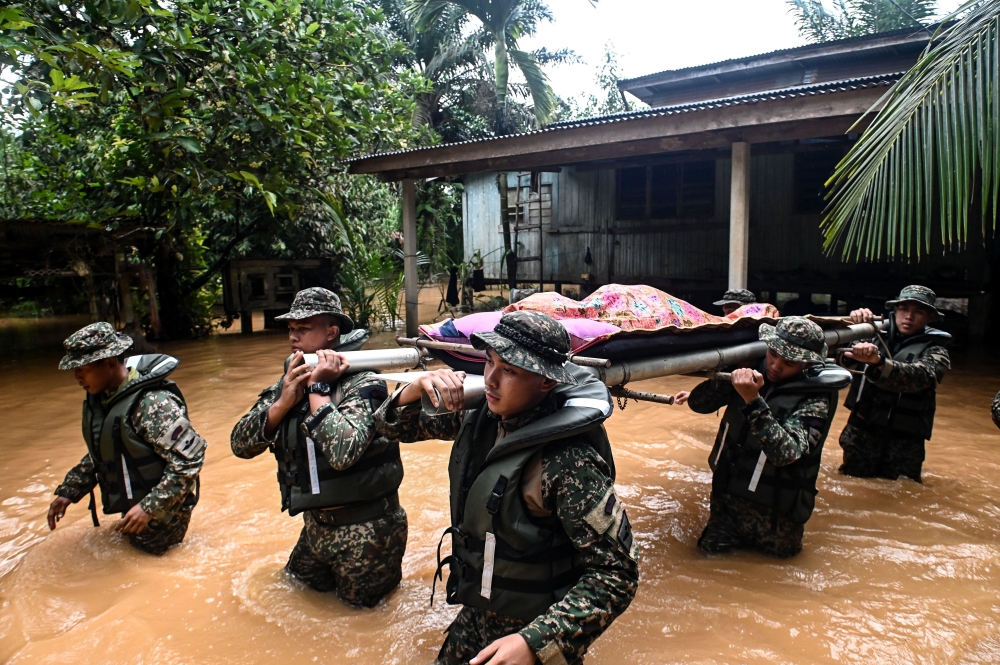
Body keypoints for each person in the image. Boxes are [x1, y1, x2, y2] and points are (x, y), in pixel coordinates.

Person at [374, 310, 639, 665]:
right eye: (489, 362)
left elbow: (617, 574)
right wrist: (415, 388)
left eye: (509, 370)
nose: (490, 380)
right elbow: (392, 427)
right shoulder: (480, 416)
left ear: (546, 382)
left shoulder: (570, 462)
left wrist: (536, 642)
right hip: (475, 618)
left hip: (532, 632)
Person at [230, 287, 405, 607]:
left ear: (331, 333)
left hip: (368, 531)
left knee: (362, 622)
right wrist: (281, 405)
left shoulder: (365, 383)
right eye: (291, 329)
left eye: (304, 328)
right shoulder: (291, 381)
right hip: (315, 527)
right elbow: (239, 444)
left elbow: (343, 453)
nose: (293, 337)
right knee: (291, 595)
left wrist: (319, 390)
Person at [674, 317, 850, 558]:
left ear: (806, 364)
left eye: (788, 362)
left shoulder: (816, 399)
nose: (775, 366)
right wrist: (730, 372)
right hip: (726, 503)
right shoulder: (751, 372)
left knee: (773, 582)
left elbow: (786, 454)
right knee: (707, 564)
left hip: (776, 519)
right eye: (772, 354)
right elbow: (699, 404)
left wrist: (752, 400)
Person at [47, 322, 206, 555]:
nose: (76, 376)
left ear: (110, 363)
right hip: (135, 504)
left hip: (162, 513)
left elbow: (190, 460)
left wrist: (148, 507)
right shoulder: (107, 398)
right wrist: (69, 491)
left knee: (149, 570)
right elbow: (107, 451)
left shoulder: (152, 404)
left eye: (82, 367)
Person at [838, 285, 951, 482]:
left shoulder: (936, 351)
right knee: (852, 484)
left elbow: (919, 377)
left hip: (905, 442)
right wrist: (852, 323)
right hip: (862, 433)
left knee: (902, 494)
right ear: (895, 310)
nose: (909, 316)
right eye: (904, 309)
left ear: (930, 317)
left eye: (919, 312)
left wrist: (878, 362)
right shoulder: (871, 333)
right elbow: (837, 357)